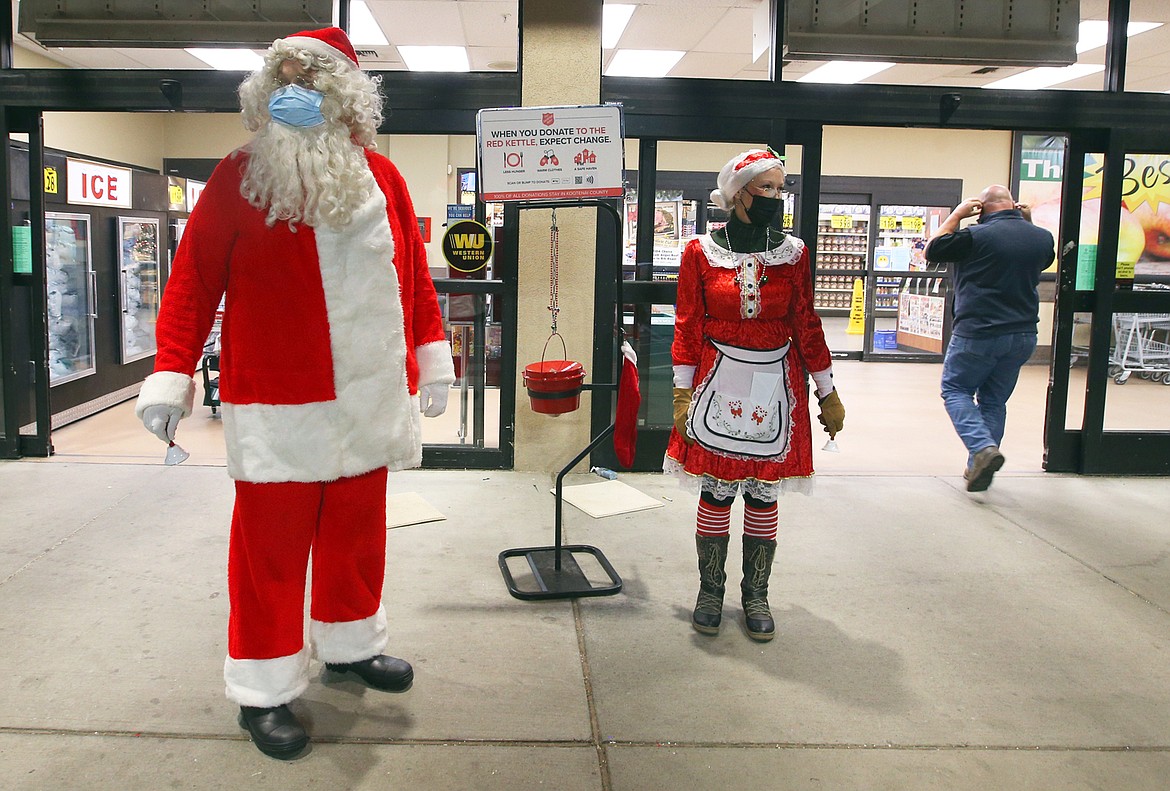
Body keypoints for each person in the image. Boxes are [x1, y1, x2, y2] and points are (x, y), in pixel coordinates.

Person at [133, 27, 455, 759]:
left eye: (309, 79)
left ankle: (349, 645)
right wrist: (172, 371)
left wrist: (431, 362)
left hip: (368, 399)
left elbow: (415, 279)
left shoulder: (386, 179)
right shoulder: (238, 177)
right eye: (281, 80)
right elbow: (191, 281)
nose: (294, 92)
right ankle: (265, 690)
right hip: (277, 405)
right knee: (269, 555)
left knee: (356, 541)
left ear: (344, 96)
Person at [666, 149, 845, 642]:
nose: (775, 198)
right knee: (716, 491)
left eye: (779, 189)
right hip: (716, 377)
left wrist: (826, 391)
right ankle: (709, 591)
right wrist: (681, 394)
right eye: (766, 188)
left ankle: (756, 595)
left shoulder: (794, 253)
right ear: (737, 193)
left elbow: (806, 322)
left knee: (763, 494)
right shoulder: (700, 253)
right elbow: (688, 323)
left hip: (776, 383)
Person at [925, 185, 1054, 492]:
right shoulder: (1041, 237)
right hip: (1023, 335)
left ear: (981, 209)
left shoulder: (975, 236)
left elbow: (933, 250)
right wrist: (1028, 220)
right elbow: (1042, 259)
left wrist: (956, 214)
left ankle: (983, 449)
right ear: (1013, 206)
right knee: (994, 401)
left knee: (955, 389)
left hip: (979, 333)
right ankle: (978, 467)